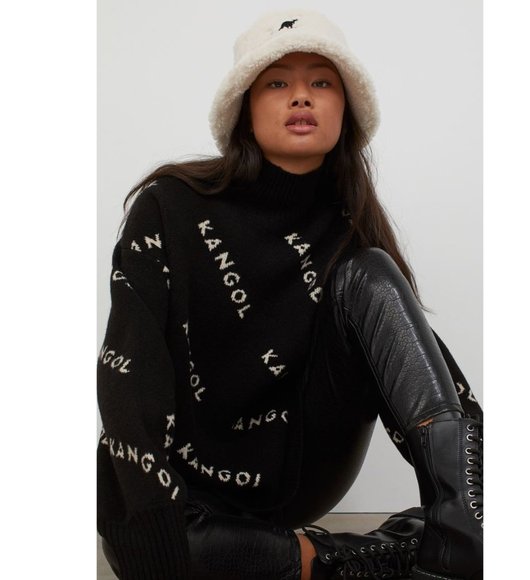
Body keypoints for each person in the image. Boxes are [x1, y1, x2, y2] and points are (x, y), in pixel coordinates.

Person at [97, 8, 483, 580]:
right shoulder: (169, 205)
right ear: (244, 110)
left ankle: (468, 518)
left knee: (369, 271)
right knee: (157, 547)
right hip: (191, 489)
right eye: (277, 83)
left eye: (321, 82)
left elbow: (422, 364)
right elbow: (130, 373)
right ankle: (368, 554)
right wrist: (154, 519)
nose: (301, 96)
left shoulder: (351, 231)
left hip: (299, 471)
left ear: (346, 109)